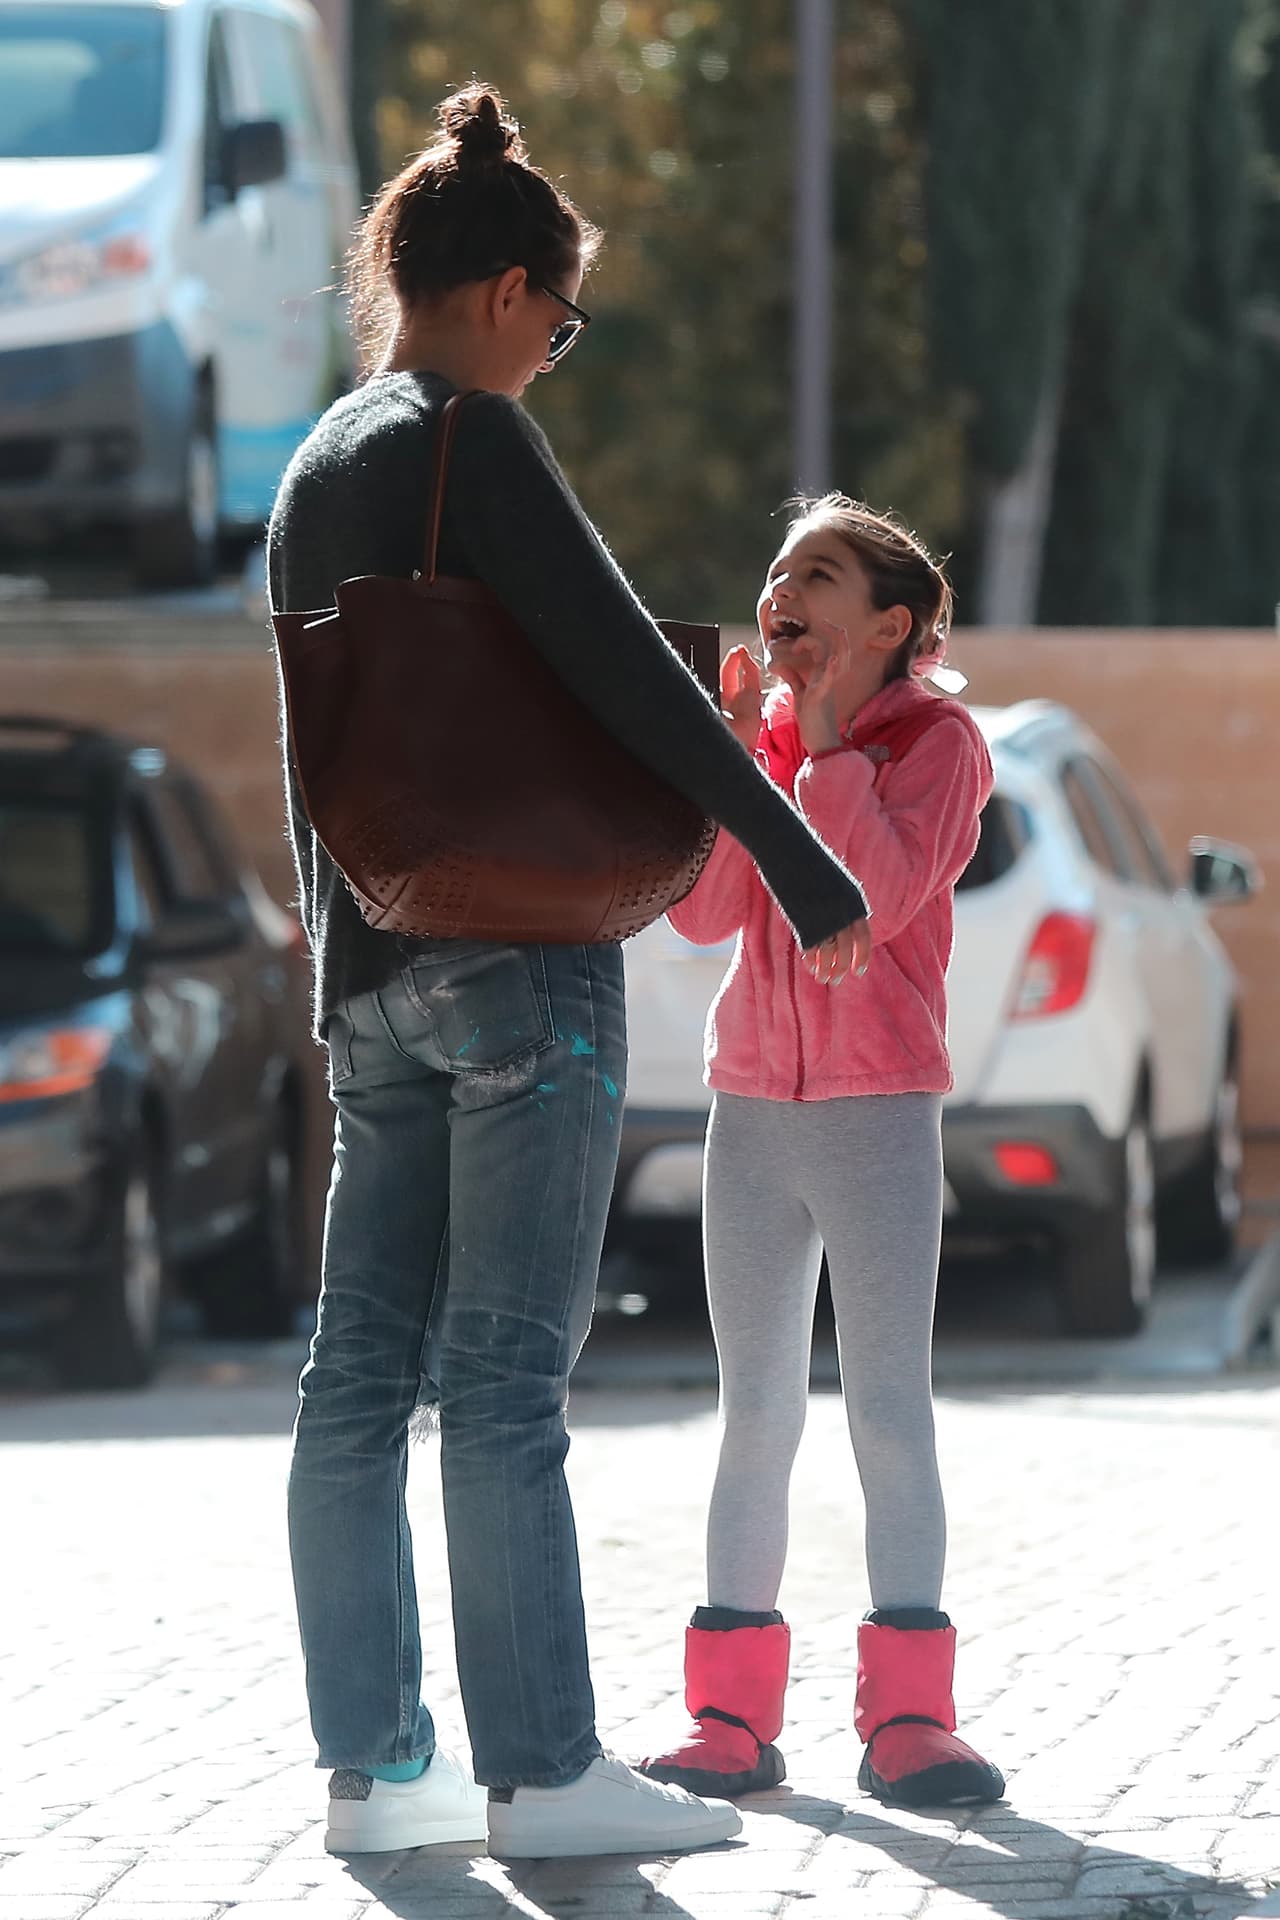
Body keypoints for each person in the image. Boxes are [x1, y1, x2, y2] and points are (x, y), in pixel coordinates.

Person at [267, 85, 870, 1860]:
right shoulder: (475, 438)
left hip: (368, 965)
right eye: (567, 319)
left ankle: (377, 1777)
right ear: (515, 292)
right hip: (517, 967)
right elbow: (624, 668)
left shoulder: (322, 461)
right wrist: (797, 855)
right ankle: (544, 1773)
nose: (559, 351)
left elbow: (323, 739)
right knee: (509, 1378)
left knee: (357, 1374)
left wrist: (343, 972)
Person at [639, 497, 1006, 1811]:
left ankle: (911, 1717)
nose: (780, 588)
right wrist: (736, 759)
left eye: (819, 575)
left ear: (891, 626)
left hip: (881, 1113)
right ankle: (727, 1719)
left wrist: (830, 746)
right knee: (756, 1415)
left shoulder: (944, 746)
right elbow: (705, 915)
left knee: (889, 1413)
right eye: (779, 569)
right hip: (754, 1114)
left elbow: (873, 892)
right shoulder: (766, 744)